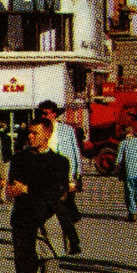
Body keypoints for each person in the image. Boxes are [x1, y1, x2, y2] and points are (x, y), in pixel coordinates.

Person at [5, 112, 68, 273]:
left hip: (48, 222)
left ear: (48, 134)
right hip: (23, 221)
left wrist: (30, 189)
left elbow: (56, 192)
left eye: (35, 133)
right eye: (29, 133)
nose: (30, 137)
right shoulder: (19, 159)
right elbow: (13, 188)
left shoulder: (60, 162)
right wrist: (29, 190)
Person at [40, 101, 84, 255]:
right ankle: (72, 241)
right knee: (59, 209)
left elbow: (74, 153)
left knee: (63, 209)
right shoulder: (40, 130)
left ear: (54, 114)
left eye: (46, 113)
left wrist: (74, 177)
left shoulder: (67, 131)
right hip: (46, 177)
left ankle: (71, 239)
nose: (43, 116)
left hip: (64, 176)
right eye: (41, 113)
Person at [116, 124, 137, 222]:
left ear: (124, 133)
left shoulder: (123, 143)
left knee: (130, 193)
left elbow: (119, 161)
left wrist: (118, 171)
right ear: (133, 132)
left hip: (129, 172)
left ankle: (133, 213)